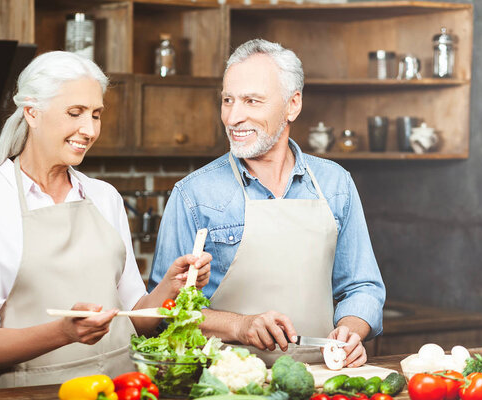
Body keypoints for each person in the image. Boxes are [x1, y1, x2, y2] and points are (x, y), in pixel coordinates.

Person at [0, 51, 212, 388]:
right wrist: (63, 332)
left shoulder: (105, 197)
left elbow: (136, 317)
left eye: (96, 115)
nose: (88, 130)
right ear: (32, 112)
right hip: (33, 395)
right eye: (75, 113)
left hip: (121, 389)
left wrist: (171, 285)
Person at [148, 39, 385, 367]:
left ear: (292, 105)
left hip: (319, 379)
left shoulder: (335, 184)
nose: (233, 117)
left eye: (251, 101)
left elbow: (363, 287)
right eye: (227, 100)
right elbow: (163, 313)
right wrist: (239, 325)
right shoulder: (194, 194)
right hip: (225, 384)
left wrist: (350, 331)